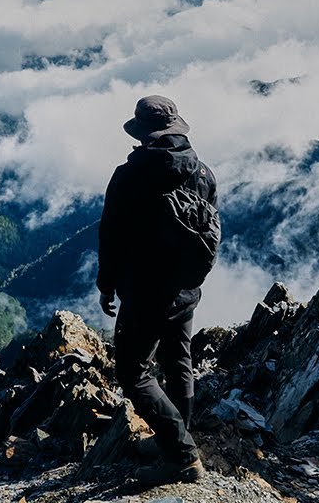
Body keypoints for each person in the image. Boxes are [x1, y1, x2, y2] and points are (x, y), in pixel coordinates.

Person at [97, 94, 216, 485]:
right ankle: (176, 438)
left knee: (132, 372)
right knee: (178, 362)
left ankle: (181, 455)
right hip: (185, 289)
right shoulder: (202, 173)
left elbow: (111, 235)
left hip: (145, 292)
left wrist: (106, 284)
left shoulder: (130, 176)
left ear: (144, 133)